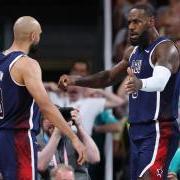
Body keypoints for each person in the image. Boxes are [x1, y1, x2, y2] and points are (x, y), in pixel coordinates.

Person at [58, 4, 180, 180]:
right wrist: (76, 81)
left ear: (151, 21)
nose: (131, 27)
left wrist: (140, 83)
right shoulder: (132, 52)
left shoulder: (165, 48)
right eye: (129, 22)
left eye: (136, 22)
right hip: (136, 129)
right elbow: (108, 77)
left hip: (160, 129)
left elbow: (160, 81)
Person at [0, 16, 86, 180]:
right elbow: (46, 106)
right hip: (18, 138)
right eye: (39, 34)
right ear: (33, 36)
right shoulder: (27, 64)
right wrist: (74, 138)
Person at [37, 107, 100, 180]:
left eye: (58, 118)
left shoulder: (76, 138)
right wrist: (57, 133)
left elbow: (94, 158)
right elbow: (40, 166)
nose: (54, 121)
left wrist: (79, 127)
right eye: (49, 118)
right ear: (41, 122)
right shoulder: (35, 141)